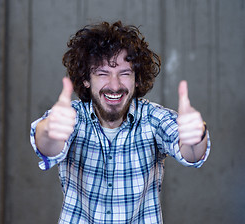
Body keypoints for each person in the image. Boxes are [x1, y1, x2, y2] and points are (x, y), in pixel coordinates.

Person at [30, 21, 211, 223]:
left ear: (136, 78)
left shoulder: (153, 118)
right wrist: (50, 131)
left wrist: (196, 135)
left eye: (124, 73)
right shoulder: (72, 117)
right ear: (86, 79)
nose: (114, 85)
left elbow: (192, 153)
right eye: (102, 74)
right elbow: (47, 146)